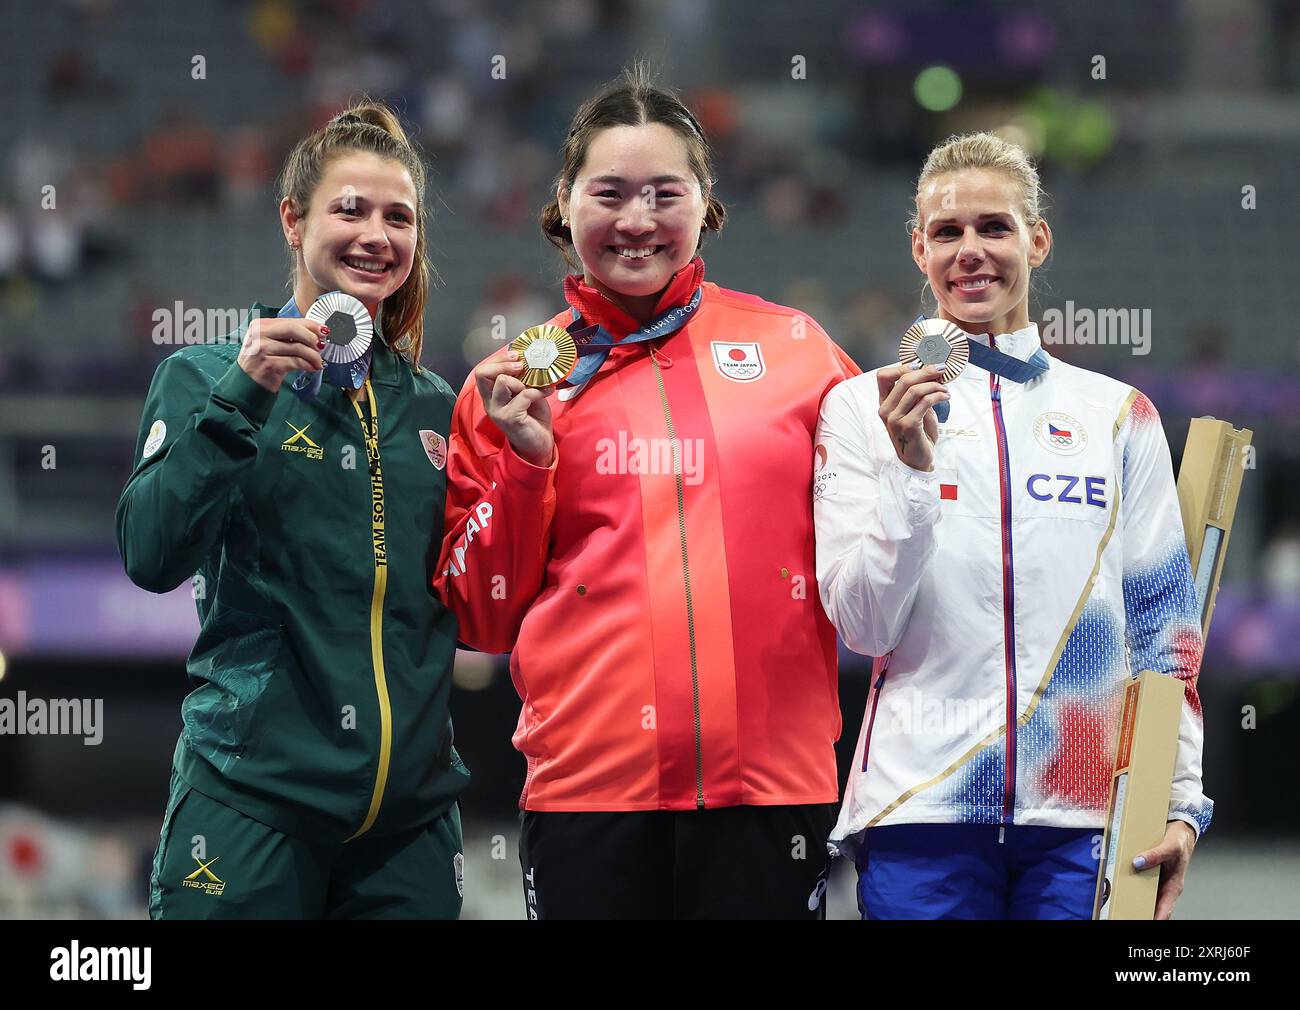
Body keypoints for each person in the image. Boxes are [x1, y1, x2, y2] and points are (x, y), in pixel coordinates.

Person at [434, 65, 859, 920]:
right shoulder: (508, 383)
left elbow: (883, 552)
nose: (637, 221)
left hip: (772, 796)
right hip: (589, 797)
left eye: (665, 193)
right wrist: (524, 464)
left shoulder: (801, 353)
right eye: (611, 193)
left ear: (705, 200)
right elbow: (481, 617)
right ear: (564, 200)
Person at [815, 132, 1210, 919]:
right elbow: (863, 625)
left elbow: (1165, 630)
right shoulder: (860, 409)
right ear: (918, 248)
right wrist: (911, 474)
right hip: (921, 804)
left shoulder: (1117, 416)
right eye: (947, 232)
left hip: (1082, 812)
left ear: (1037, 238)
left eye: (994, 227)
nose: (971, 251)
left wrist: (1181, 803)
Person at [116, 102, 469, 919]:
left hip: (408, 830)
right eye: (349, 209)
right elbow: (149, 554)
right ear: (292, 219)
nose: (375, 235)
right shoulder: (206, 376)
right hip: (249, 809)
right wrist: (245, 397)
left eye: (398, 217)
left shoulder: (435, 409)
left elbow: (477, 601)